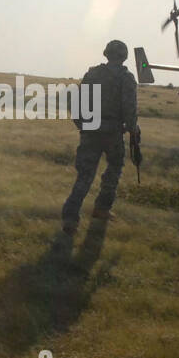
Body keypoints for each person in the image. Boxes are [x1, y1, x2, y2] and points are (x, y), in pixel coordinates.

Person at [61, 40, 139, 234]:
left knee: (85, 175)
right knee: (114, 169)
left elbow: (77, 101)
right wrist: (132, 129)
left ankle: (70, 218)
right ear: (124, 56)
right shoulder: (126, 78)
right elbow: (129, 108)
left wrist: (81, 124)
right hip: (112, 132)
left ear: (106, 54)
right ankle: (102, 208)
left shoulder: (92, 74)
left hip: (90, 130)